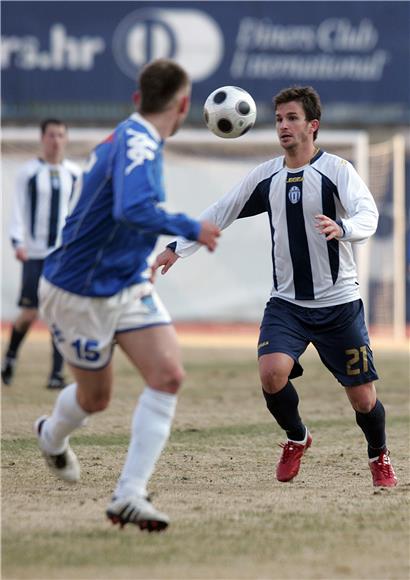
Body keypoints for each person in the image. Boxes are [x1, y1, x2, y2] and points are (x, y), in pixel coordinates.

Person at [154, 86, 397, 489]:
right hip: (288, 304)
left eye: (292, 119)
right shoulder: (267, 176)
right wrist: (177, 247)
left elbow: (367, 213)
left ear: (312, 126)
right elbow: (222, 210)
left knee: (363, 400)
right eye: (279, 119)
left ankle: (378, 455)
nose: (283, 126)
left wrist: (345, 228)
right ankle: (297, 437)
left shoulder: (337, 170)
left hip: (339, 305)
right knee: (271, 374)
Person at [34, 59, 220, 532]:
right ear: (183, 106)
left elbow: (121, 214)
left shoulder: (133, 137)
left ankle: (129, 495)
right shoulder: (137, 141)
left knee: (169, 374)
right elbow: (133, 207)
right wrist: (188, 227)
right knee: (96, 399)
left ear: (139, 99)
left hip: (125, 283)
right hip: (77, 292)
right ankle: (52, 436)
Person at [2, 119, 81, 390]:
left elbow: (78, 213)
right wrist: (17, 241)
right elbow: (18, 208)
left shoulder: (75, 173)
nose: (55, 140)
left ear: (66, 138)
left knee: (61, 313)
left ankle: (56, 374)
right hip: (35, 253)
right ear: (42, 138)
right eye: (51, 135)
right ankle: (10, 358)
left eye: (60, 135)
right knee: (29, 313)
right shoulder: (29, 172)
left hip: (62, 255)